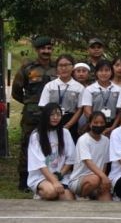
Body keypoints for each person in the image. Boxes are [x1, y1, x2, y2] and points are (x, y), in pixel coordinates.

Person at [12, 36, 56, 191]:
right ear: (37, 50)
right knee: (27, 144)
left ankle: (49, 175)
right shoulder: (27, 68)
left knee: (51, 143)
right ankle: (24, 180)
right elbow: (16, 91)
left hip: (52, 114)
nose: (46, 51)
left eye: (49, 48)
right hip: (32, 114)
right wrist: (30, 103)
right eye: (43, 49)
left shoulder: (57, 67)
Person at [27, 103, 75, 200]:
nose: (55, 117)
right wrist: (54, 182)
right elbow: (40, 164)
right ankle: (39, 193)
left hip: (61, 175)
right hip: (41, 176)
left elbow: (71, 159)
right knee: (51, 192)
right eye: (52, 115)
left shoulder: (65, 133)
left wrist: (59, 175)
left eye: (58, 115)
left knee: (68, 199)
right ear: (45, 116)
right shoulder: (36, 136)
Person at [39, 54, 84, 143]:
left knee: (70, 150)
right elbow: (44, 106)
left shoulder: (79, 88)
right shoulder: (49, 86)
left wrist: (68, 125)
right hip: (51, 120)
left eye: (67, 65)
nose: (64, 68)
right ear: (56, 68)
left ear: (73, 67)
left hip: (70, 122)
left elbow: (80, 109)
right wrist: (51, 122)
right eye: (61, 65)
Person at [68, 111, 111, 200]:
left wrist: (103, 180)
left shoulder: (106, 140)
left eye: (101, 123)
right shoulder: (83, 140)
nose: (99, 125)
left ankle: (93, 195)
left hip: (99, 178)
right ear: (90, 124)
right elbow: (88, 162)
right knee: (94, 180)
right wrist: (103, 177)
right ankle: (81, 197)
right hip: (79, 180)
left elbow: (105, 163)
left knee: (107, 201)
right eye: (95, 123)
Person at [80, 60, 121, 135]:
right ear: (96, 72)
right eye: (101, 70)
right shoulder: (89, 89)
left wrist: (113, 127)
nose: (104, 73)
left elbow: (120, 112)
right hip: (95, 126)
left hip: (113, 126)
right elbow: (87, 110)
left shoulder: (118, 90)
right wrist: (97, 124)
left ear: (111, 72)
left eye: (107, 70)